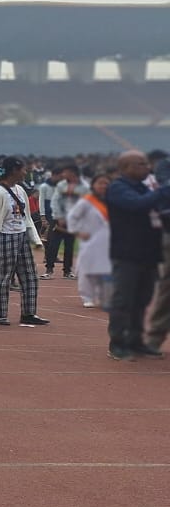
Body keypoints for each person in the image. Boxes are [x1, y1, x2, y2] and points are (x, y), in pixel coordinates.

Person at [104, 151, 170, 360]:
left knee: (142, 299)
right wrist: (165, 189)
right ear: (126, 168)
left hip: (148, 253)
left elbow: (157, 211)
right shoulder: (118, 188)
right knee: (123, 300)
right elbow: (137, 205)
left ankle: (136, 340)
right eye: (141, 164)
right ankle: (118, 343)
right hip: (127, 253)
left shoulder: (143, 187)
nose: (147, 167)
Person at [0, 157, 47, 327]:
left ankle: (29, 313)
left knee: (30, 277)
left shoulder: (20, 190)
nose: (25, 172)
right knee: (3, 278)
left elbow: (27, 218)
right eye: (23, 169)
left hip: (21, 236)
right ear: (14, 171)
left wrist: (36, 240)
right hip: (4, 236)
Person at [64, 173, 111, 309]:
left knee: (106, 270)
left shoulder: (112, 201)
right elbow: (72, 217)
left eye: (106, 183)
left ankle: (103, 297)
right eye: (100, 183)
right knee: (88, 270)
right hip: (90, 241)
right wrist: (78, 231)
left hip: (108, 241)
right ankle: (87, 297)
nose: (103, 186)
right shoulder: (86, 201)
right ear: (93, 185)